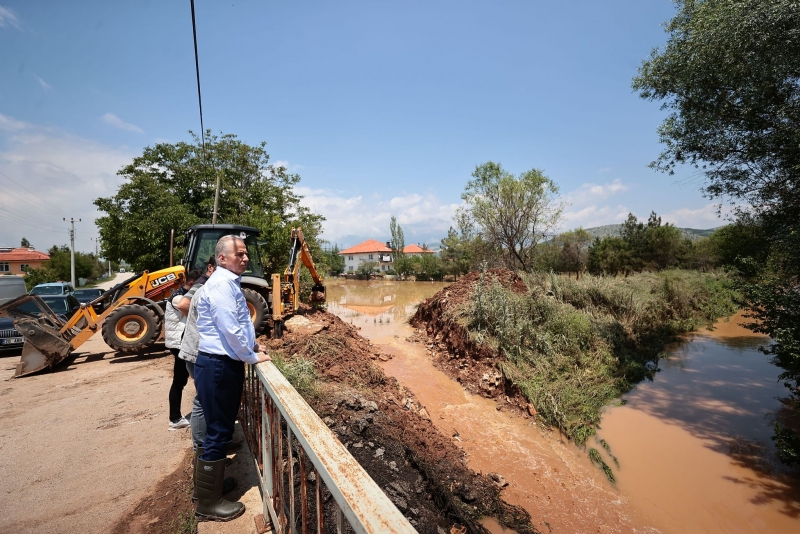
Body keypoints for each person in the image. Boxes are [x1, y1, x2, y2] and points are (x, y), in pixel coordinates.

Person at [193, 236, 271, 521]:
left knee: (218, 428)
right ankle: (208, 504)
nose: (245, 258)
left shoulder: (227, 282)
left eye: (246, 253)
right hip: (219, 365)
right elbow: (230, 328)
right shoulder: (224, 285)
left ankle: (207, 488)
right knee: (218, 432)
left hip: (218, 364)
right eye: (239, 254)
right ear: (222, 259)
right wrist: (251, 356)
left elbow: (238, 325)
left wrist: (252, 346)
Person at [165, 269, 202, 430]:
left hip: (179, 343)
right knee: (180, 381)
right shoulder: (179, 298)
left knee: (180, 380)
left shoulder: (180, 294)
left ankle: (176, 417)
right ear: (192, 284)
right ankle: (174, 419)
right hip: (180, 344)